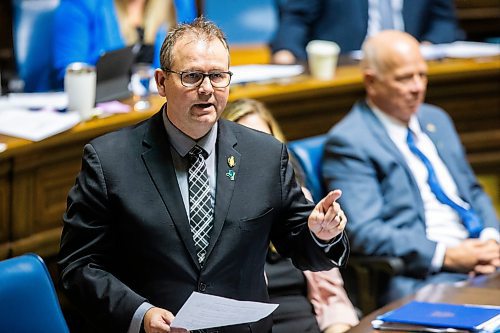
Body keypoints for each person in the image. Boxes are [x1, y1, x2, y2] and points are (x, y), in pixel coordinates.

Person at [58, 17, 349, 333]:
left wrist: (321, 233)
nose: (207, 89)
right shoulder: (109, 160)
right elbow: (80, 267)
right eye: (192, 76)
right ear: (161, 82)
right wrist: (140, 314)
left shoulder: (265, 155)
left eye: (218, 76)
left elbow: (300, 247)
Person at [322, 30, 499, 304]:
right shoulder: (350, 141)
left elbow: (472, 191)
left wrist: (490, 241)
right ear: (371, 81)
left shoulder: (435, 119)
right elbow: (364, 231)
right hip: (428, 275)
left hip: (484, 259)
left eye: (422, 75)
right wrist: (446, 254)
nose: (418, 87)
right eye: (404, 78)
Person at [222, 98, 359, 333]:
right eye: (246, 143)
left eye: (265, 143)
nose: (258, 154)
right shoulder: (213, 212)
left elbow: (331, 298)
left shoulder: (296, 200)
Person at [271, 0, 463, 64]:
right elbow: (296, 19)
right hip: (347, 70)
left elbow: (444, 20)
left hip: (410, 64)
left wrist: (424, 48)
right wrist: (286, 53)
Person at [52, 0, 176, 88]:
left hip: (151, 109)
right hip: (101, 113)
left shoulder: (175, 5)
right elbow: (72, 72)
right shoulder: (79, 4)